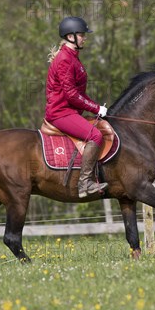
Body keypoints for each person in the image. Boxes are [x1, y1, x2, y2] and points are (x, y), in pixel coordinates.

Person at [45, 17, 108, 198]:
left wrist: (96, 108)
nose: (84, 38)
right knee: (95, 135)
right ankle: (85, 183)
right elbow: (71, 94)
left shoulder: (73, 58)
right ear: (70, 36)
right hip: (60, 113)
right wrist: (95, 109)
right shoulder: (65, 59)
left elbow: (78, 93)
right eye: (81, 35)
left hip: (69, 110)